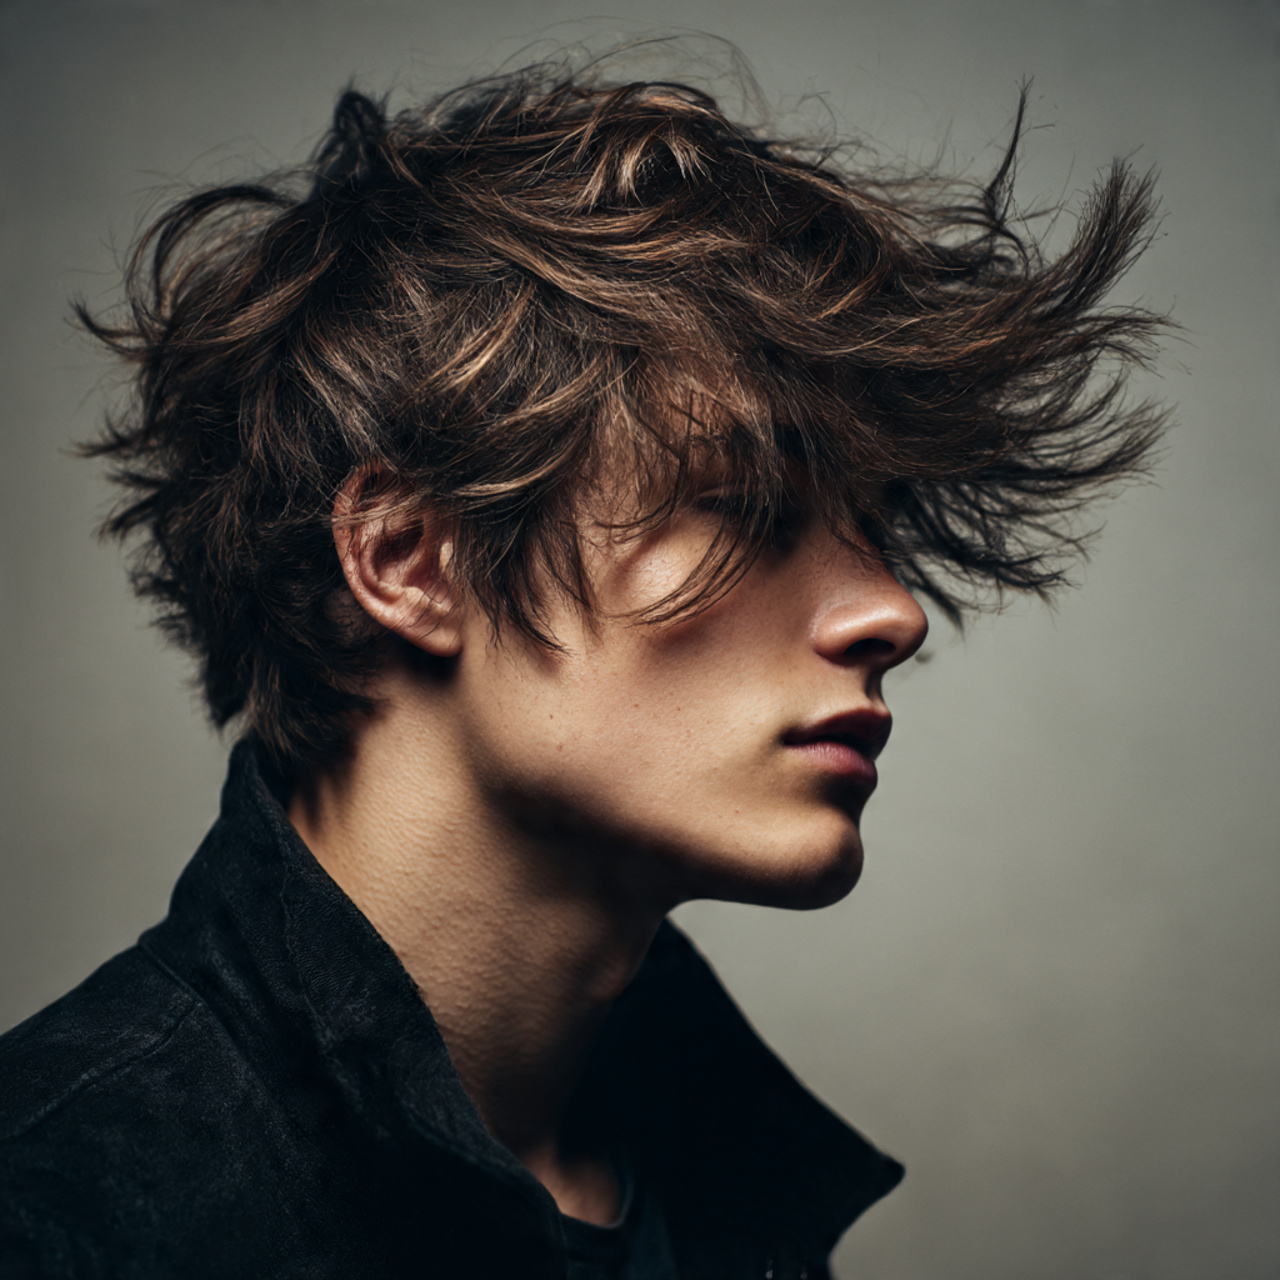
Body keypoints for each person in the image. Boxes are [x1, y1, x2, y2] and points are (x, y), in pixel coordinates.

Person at [0, 55, 1165, 1280]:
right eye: (749, 506)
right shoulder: (58, 1213)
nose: (890, 612)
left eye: (870, 525)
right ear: (408, 558)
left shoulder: (693, 1180)